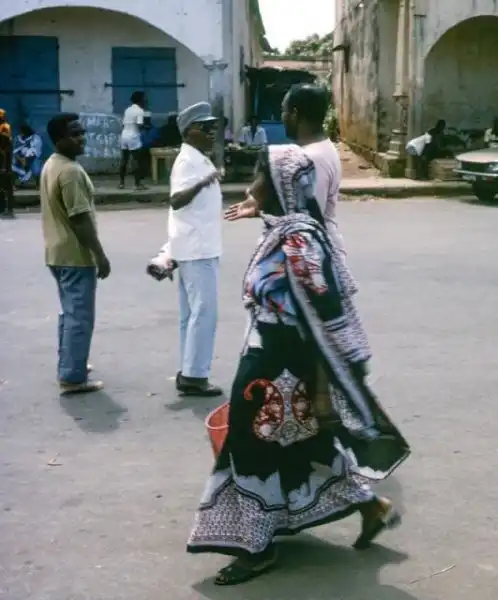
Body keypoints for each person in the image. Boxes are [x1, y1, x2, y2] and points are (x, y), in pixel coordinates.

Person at [187, 143, 410, 586]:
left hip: (278, 366)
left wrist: (326, 379)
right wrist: (260, 209)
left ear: (279, 186)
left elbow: (323, 313)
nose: (250, 186)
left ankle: (256, 547)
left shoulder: (298, 241)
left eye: (257, 178)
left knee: (251, 450)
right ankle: (372, 506)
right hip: (275, 360)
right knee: (304, 443)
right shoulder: (288, 227)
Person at [229, 84, 346, 257]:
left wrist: (264, 200)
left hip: (312, 257)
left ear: (295, 114)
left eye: (283, 111)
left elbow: (306, 218)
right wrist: (260, 207)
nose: (282, 117)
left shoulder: (311, 158)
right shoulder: (322, 147)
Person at [41, 113, 110, 394]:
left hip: (56, 252)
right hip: (75, 255)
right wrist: (100, 256)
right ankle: (72, 376)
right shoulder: (69, 171)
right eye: (75, 134)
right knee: (80, 317)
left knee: (70, 313)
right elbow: (80, 219)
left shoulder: (53, 163)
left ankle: (70, 363)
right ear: (60, 139)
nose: (82, 138)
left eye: (82, 132)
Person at [168, 101, 223, 396]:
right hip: (197, 249)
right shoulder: (188, 162)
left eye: (213, 127)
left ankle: (189, 370)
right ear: (190, 131)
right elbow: (176, 200)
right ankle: (194, 377)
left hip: (197, 246)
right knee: (204, 313)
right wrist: (203, 182)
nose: (212, 132)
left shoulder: (198, 158)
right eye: (205, 128)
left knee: (192, 315)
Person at [119, 91, 147, 190]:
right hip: (133, 136)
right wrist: (145, 126)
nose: (145, 100)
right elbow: (139, 124)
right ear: (140, 100)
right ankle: (137, 185)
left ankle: (121, 183)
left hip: (124, 135)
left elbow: (123, 124)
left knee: (124, 160)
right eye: (144, 98)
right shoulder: (140, 111)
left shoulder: (127, 110)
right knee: (136, 160)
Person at [0, 128, 14, 219]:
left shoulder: (7, 143)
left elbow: (7, 157)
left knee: (7, 190)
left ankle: (8, 210)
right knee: (6, 190)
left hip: (6, 171)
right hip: (5, 170)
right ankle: (6, 209)